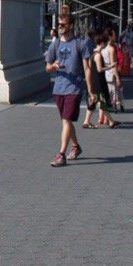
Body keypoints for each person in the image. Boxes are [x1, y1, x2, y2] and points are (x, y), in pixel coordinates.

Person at [44, 9, 87, 166]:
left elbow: (87, 68)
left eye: (63, 24)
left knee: (66, 119)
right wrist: (53, 66)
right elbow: (47, 67)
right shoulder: (55, 44)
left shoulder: (79, 43)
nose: (60, 27)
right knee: (66, 121)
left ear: (71, 25)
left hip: (74, 88)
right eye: (59, 24)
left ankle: (61, 154)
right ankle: (76, 146)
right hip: (58, 88)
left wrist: (91, 89)